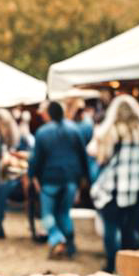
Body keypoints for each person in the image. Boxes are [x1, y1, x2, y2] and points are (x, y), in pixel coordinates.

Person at [88, 94, 139, 272]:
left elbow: (97, 155)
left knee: (110, 228)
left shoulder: (109, 131)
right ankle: (128, 266)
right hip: (137, 187)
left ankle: (111, 264)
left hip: (114, 188)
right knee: (130, 230)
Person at [28, 100, 90, 259]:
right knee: (64, 213)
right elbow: (83, 156)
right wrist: (85, 178)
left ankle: (58, 239)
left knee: (47, 214)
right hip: (70, 179)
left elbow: (36, 159)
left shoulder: (43, 132)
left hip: (50, 180)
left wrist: (32, 176)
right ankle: (70, 245)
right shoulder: (74, 129)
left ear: (49, 113)